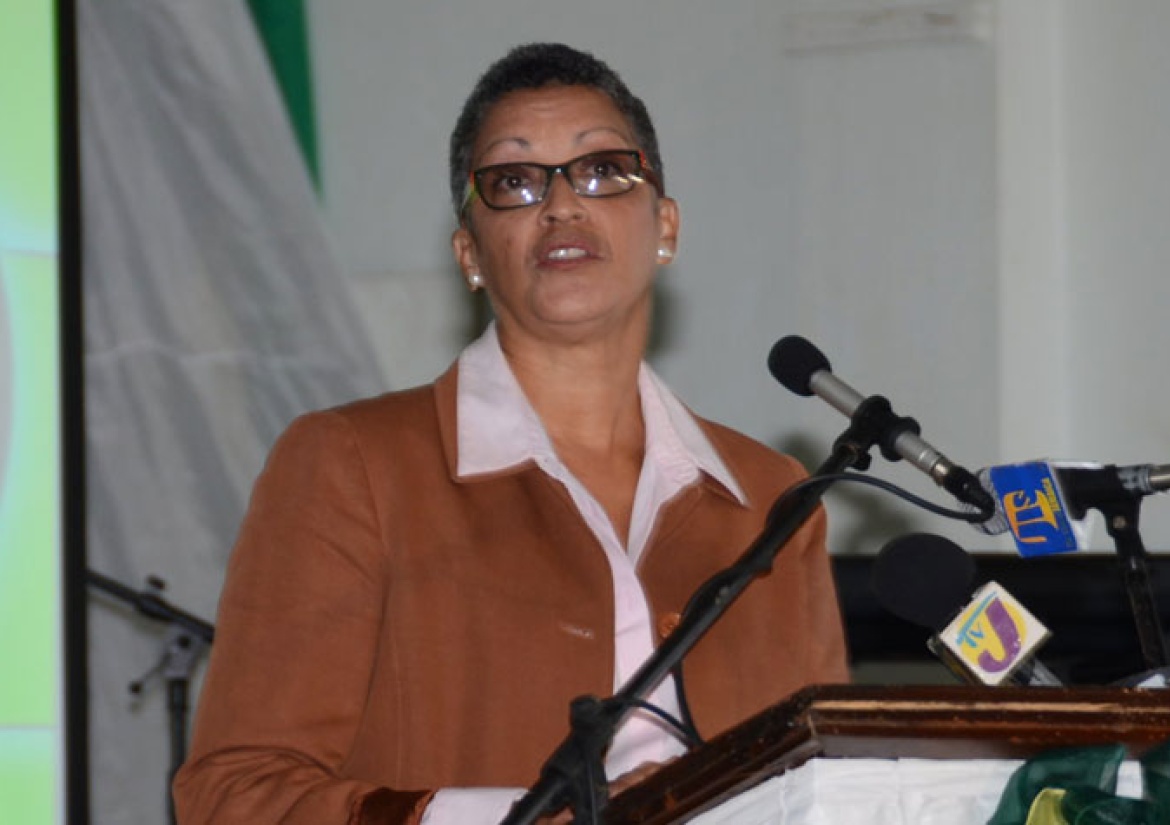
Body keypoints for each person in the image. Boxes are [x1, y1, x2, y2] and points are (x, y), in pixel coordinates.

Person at [173, 42, 848, 825]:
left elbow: (822, 790)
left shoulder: (770, 496)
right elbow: (235, 795)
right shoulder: (355, 464)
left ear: (665, 226)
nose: (562, 204)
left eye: (602, 170)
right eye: (515, 181)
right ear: (470, 254)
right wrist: (531, 817)